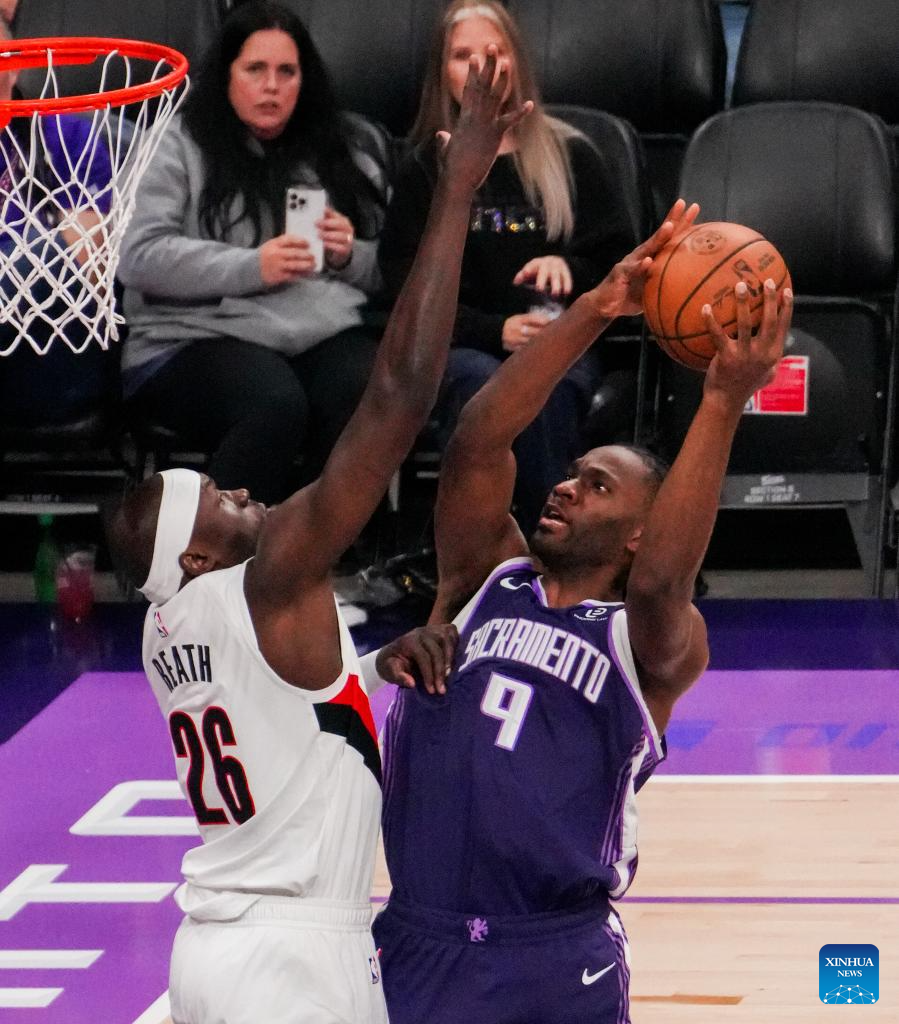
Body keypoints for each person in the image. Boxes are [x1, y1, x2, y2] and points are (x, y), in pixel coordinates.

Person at [106, 48, 530, 1024]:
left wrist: (370, 668)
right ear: (198, 557)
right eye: (217, 501)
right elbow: (399, 394)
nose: (239, 492)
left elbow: (284, 711)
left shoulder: (168, 627)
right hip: (291, 960)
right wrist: (456, 190)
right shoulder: (268, 579)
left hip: (209, 952)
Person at [369, 200, 794, 1022]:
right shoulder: (485, 580)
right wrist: (597, 307)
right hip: (419, 938)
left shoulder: (648, 643)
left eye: (596, 485)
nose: (564, 486)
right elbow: (477, 443)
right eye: (571, 473)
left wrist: (721, 400)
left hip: (555, 956)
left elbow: (662, 580)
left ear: (639, 533)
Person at [118, 2, 393, 506]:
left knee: (369, 389)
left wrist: (347, 256)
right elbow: (138, 255)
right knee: (274, 401)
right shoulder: (175, 142)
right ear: (226, 74)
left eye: (287, 72)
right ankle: (217, 548)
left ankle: (315, 544)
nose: (272, 86)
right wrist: (252, 267)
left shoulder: (345, 147)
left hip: (312, 329)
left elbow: (393, 273)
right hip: (189, 336)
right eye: (255, 69)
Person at [379, 0, 633, 534]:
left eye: (494, 51)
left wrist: (569, 266)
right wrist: (496, 330)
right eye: (462, 55)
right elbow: (407, 291)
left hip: (560, 338)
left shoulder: (571, 153)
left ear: (517, 62)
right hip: (462, 345)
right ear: (442, 73)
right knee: (482, 385)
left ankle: (552, 546)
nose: (482, 67)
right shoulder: (425, 168)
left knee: (546, 386)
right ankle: (476, 551)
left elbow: (623, 265)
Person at [0, 16, 117, 426]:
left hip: (49, 353)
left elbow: (89, 267)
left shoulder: (66, 137)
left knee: (41, 250)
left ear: (15, 66)